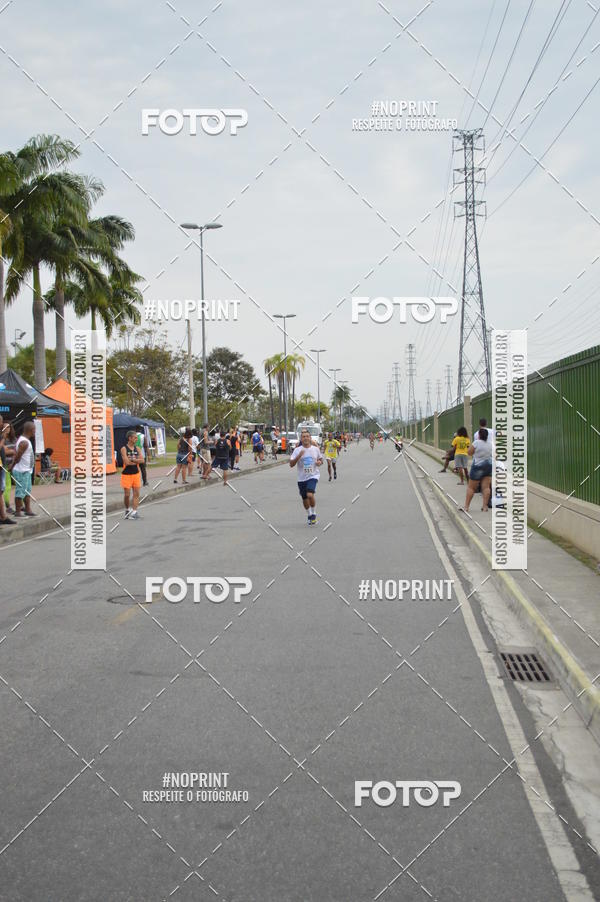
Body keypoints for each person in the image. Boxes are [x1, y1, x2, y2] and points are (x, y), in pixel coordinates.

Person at [290, 428, 323, 526]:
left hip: (313, 475)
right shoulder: (297, 450)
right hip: (301, 478)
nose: (305, 438)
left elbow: (321, 459)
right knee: (304, 498)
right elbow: (291, 464)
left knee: (310, 495)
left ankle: (314, 513)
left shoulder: (315, 449)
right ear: (301, 439)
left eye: (307, 436)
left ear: (310, 438)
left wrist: (319, 462)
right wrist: (298, 456)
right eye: (303, 437)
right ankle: (309, 515)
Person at [462, 427, 494, 513]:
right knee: (486, 487)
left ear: (479, 435)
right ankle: (484, 507)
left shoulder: (476, 443)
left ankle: (466, 507)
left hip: (478, 466)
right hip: (488, 466)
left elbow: (469, 452)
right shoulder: (491, 444)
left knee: (471, 487)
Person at [10, 421, 37, 518]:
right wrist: (12, 466)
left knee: (27, 490)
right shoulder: (24, 442)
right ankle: (18, 512)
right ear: (31, 430)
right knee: (20, 491)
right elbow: (17, 457)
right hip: (21, 470)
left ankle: (28, 509)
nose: (35, 432)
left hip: (27, 470)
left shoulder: (25, 440)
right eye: (34, 430)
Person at [120, 430, 142, 519]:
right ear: (130, 438)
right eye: (135, 437)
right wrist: (136, 460)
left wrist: (132, 460)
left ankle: (135, 512)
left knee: (136, 493)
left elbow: (142, 460)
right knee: (127, 494)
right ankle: (127, 509)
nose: (136, 439)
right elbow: (126, 462)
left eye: (137, 437)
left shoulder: (138, 448)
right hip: (126, 474)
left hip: (136, 473)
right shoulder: (124, 448)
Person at [0, 417, 16, 525]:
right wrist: (2, 439)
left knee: (2, 490)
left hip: (2, 465)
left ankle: (3, 516)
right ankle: (4, 516)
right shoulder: (2, 437)